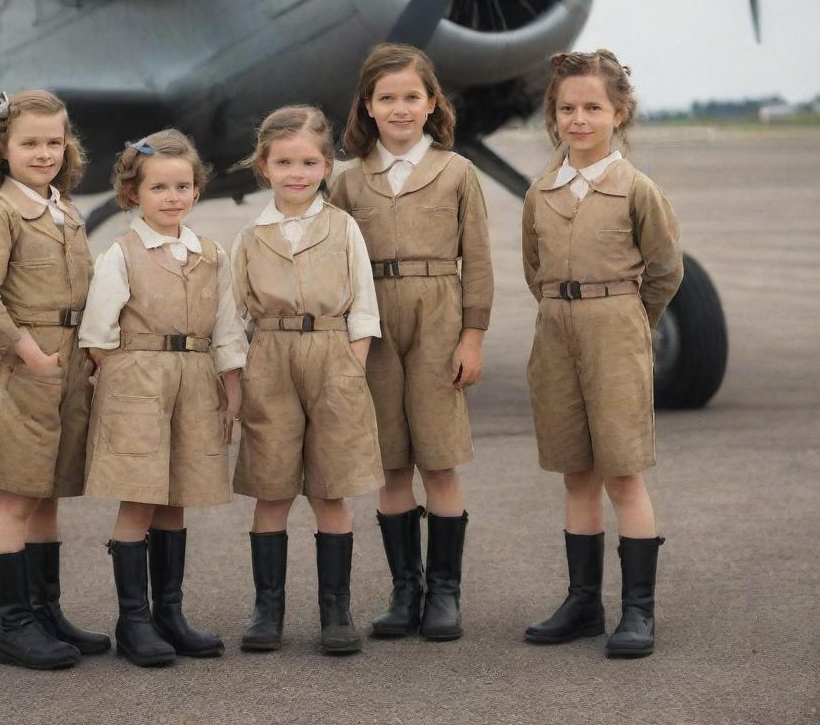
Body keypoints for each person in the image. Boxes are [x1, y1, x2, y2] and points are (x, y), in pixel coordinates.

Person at [521, 50, 683, 658]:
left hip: (616, 327)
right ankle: (583, 603)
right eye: (568, 108)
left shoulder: (637, 190)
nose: (579, 119)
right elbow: (535, 269)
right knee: (576, 473)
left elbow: (665, 270)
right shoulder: (542, 191)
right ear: (554, 116)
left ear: (618, 112)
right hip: (556, 330)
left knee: (622, 474)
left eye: (592, 107)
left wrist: (630, 324)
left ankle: (637, 611)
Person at [330, 43, 493, 642]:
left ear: (432, 104)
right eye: (387, 98)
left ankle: (445, 594)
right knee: (391, 463)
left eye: (411, 97)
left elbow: (476, 262)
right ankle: (407, 590)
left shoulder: (456, 172)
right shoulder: (350, 183)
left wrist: (471, 337)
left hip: (437, 318)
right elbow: (335, 264)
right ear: (368, 107)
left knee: (439, 460)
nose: (400, 108)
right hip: (373, 323)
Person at [78, 130, 247, 667]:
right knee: (140, 495)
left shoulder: (212, 255)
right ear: (134, 193)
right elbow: (99, 335)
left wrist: (232, 391)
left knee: (178, 497)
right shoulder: (121, 254)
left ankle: (169, 614)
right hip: (139, 382)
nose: (172, 197)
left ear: (197, 191)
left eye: (182, 186)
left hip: (198, 379)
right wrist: (135, 382)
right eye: (158, 188)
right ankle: (133, 621)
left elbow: (228, 329)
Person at [0, 89, 109, 670]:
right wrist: (27, 350)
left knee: (49, 495)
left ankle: (47, 613)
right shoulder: (1, 215)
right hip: (27, 369)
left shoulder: (63, 209)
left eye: (54, 141)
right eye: (30, 143)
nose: (45, 153)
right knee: (18, 496)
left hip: (68, 366)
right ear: (2, 148)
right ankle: (14, 627)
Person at [232, 105, 384, 655]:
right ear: (264, 166)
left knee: (330, 489)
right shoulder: (251, 236)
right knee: (271, 487)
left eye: (309, 162)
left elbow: (364, 305)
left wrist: (351, 366)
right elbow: (233, 317)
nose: (296, 172)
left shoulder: (344, 229)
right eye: (284, 161)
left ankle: (335, 612)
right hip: (269, 356)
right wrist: (236, 380)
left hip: (332, 354)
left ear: (326, 166)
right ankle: (267, 612)